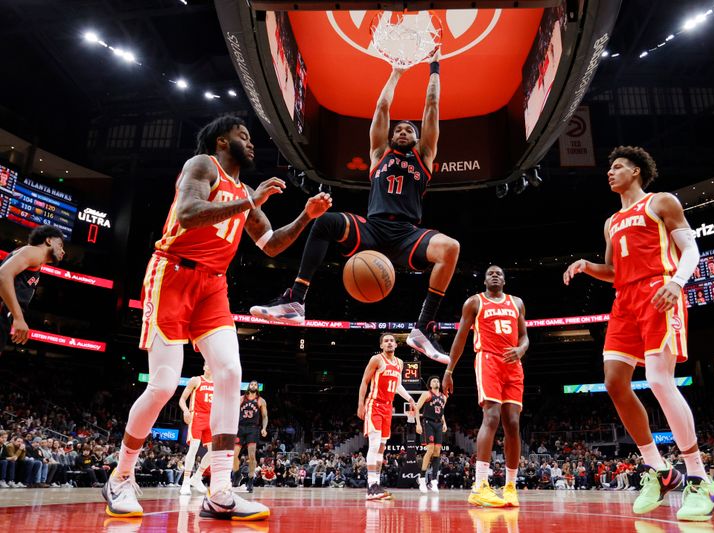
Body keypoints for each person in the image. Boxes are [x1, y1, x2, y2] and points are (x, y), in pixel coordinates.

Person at [102, 115, 332, 520]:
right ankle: (120, 476)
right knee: (163, 385)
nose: (251, 142)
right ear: (223, 141)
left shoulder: (245, 192)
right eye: (244, 136)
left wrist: (306, 217)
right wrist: (249, 202)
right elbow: (189, 213)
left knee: (229, 372)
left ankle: (221, 491)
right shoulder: (203, 165)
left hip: (213, 285)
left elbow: (273, 244)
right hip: (172, 272)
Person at [251, 51, 458, 366]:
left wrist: (434, 67)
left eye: (409, 130)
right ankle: (295, 300)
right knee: (324, 222)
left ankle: (423, 327)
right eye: (398, 130)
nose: (403, 132)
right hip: (372, 229)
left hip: (407, 234)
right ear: (389, 138)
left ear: (418, 140)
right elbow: (382, 107)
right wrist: (397, 72)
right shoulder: (378, 153)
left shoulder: (424, 155)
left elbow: (432, 107)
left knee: (451, 248)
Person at [563, 146, 714, 521]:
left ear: (636, 171)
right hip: (625, 300)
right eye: (609, 167)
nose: (610, 172)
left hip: (659, 290)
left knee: (658, 380)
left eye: (617, 166)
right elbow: (615, 272)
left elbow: (690, 249)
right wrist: (588, 266)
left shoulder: (661, 202)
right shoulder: (611, 221)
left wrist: (679, 283)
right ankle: (659, 470)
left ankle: (700, 479)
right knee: (615, 382)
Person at [443, 265, 529, 508]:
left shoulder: (517, 303)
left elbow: (524, 336)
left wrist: (521, 349)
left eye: (499, 273)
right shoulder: (474, 302)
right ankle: (480, 485)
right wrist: (449, 371)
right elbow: (460, 338)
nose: (495, 275)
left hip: (513, 364)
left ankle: (511, 487)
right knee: (491, 416)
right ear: (484, 281)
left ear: (504, 281)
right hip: (488, 360)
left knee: (513, 423)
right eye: (490, 273)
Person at [356, 333, 416, 500]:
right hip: (374, 404)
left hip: (388, 408)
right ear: (381, 345)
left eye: (392, 341)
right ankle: (371, 486)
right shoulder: (376, 359)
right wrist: (360, 404)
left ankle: (376, 485)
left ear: (396, 345)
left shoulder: (400, 363)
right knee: (374, 445)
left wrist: (410, 398)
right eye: (386, 341)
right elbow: (364, 381)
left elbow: (397, 386)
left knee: (382, 448)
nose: (389, 343)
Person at [0, 225, 66, 353]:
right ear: (48, 240)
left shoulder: (35, 260)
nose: (63, 251)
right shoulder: (36, 252)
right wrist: (19, 317)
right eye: (60, 245)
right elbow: (3, 275)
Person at [178, 364, 215, 495]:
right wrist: (186, 411)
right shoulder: (196, 380)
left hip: (211, 419)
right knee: (193, 448)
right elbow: (182, 399)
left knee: (213, 451)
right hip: (197, 416)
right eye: (207, 363)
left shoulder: (217, 382)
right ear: (204, 366)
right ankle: (186, 482)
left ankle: (197, 477)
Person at [414, 375, 448, 492]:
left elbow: (441, 411)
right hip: (427, 422)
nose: (436, 382)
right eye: (434, 380)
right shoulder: (426, 394)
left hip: (438, 424)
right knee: (430, 449)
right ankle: (422, 478)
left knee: (437, 451)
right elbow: (417, 408)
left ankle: (433, 480)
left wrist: (444, 423)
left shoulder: (444, 397)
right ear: (430, 384)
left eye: (437, 380)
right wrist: (417, 424)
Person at [234, 380, 268, 493]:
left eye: (255, 385)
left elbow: (265, 416)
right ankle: (237, 474)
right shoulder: (241, 398)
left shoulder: (260, 400)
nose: (253, 386)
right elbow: (233, 411)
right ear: (248, 386)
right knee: (234, 455)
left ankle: (250, 479)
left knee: (252, 456)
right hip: (240, 427)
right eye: (251, 384)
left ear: (257, 388)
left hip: (253, 429)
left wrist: (264, 428)